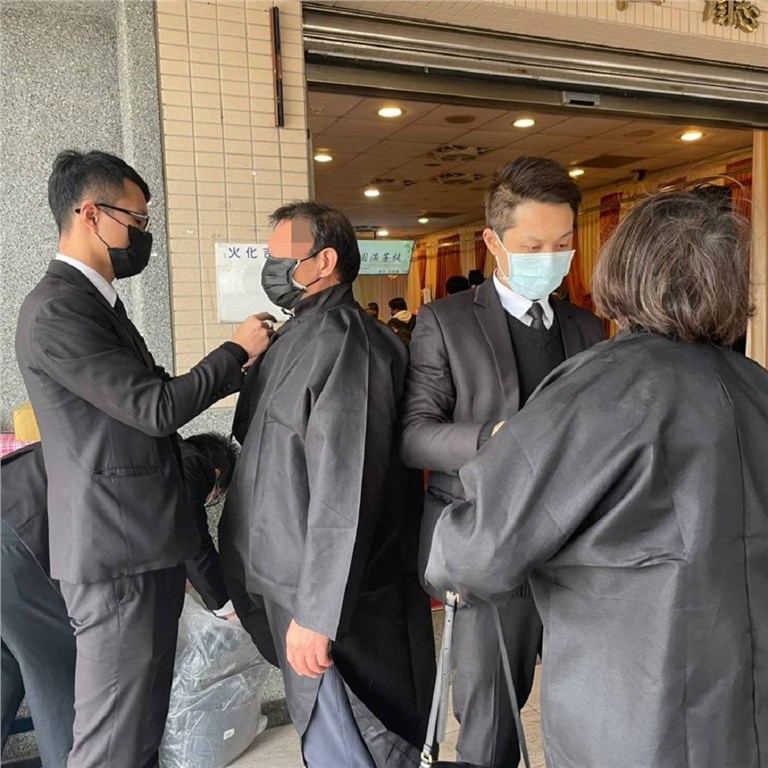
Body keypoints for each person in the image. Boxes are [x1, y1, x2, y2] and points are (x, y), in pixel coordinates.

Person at [425, 191, 768, 768]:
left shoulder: (602, 389)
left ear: (621, 271)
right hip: (748, 700)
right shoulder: (757, 387)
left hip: (636, 707)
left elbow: (479, 551)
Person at [14, 150, 273, 768]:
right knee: (112, 741)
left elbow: (147, 398)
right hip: (116, 555)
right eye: (136, 220)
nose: (143, 234)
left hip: (140, 546)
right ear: (90, 214)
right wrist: (233, 352)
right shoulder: (58, 309)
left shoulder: (98, 303)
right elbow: (154, 408)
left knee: (139, 730)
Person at [400, 156, 604, 768]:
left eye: (562, 244)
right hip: (487, 547)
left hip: (576, 552)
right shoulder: (447, 322)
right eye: (533, 246)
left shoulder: (587, 328)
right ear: (493, 242)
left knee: (587, 713)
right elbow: (414, 436)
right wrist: (496, 437)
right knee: (490, 722)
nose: (551, 257)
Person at [219, 201, 435, 767]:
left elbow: (346, 485)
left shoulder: (350, 344)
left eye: (281, 256)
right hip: (288, 580)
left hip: (336, 602)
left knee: (356, 742)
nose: (270, 267)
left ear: (324, 262)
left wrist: (318, 613)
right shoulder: (296, 335)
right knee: (324, 738)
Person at [0, 434, 241, 767]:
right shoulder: (190, 460)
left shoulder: (133, 447)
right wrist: (223, 604)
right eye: (216, 496)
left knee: (6, 665)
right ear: (217, 474)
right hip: (17, 543)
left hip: (12, 524)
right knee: (68, 674)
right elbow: (189, 529)